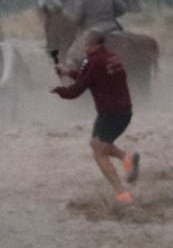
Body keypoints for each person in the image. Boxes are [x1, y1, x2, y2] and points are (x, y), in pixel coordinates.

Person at [53, 30, 139, 204]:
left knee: (98, 151)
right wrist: (68, 73)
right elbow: (89, 76)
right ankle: (127, 158)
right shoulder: (111, 56)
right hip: (124, 110)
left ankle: (121, 193)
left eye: (85, 43)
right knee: (98, 144)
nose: (84, 47)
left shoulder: (93, 60)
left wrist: (58, 90)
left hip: (110, 112)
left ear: (92, 44)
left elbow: (76, 90)